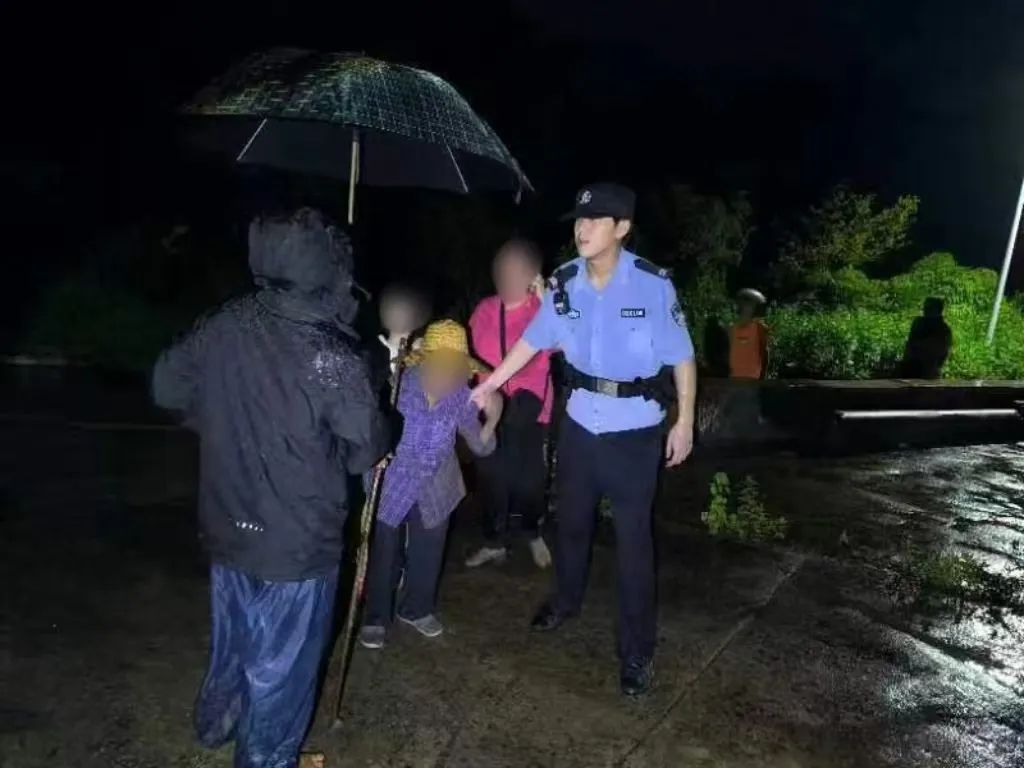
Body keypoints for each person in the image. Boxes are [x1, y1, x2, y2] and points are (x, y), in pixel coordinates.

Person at [152, 208, 389, 768]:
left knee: (234, 640)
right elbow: (365, 448)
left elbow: (167, 386)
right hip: (296, 547)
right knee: (281, 672)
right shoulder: (332, 355)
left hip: (228, 527)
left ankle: (217, 723)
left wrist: (219, 419)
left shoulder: (226, 321)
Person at [470, 183, 697, 696]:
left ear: (622, 228)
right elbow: (532, 341)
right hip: (578, 426)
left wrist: (683, 421)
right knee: (571, 524)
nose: (582, 228)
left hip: (634, 432)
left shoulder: (653, 286)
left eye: (595, 220)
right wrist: (490, 383)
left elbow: (682, 356)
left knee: (634, 543)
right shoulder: (564, 283)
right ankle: (566, 601)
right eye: (578, 219)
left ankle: (636, 650)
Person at [359, 320, 503, 650]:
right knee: (383, 553)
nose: (446, 376)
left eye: (454, 368)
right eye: (440, 365)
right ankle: (376, 617)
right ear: (423, 361)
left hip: (437, 485)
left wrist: (493, 416)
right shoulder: (396, 385)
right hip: (391, 481)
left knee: (428, 552)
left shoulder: (461, 396)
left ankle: (416, 608)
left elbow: (482, 447)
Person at [465, 239, 554, 570]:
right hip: (490, 406)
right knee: (491, 475)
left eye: (516, 271)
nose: (506, 277)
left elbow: (566, 343)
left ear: (532, 275)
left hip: (530, 408)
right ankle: (494, 542)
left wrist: (547, 302)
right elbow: (468, 353)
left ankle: (532, 531)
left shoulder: (543, 309)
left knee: (529, 478)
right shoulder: (485, 310)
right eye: (502, 270)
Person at [900, 297, 953, 379]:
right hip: (912, 366)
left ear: (938, 310)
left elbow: (941, 351)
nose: (925, 310)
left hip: (929, 369)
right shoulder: (919, 323)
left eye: (929, 308)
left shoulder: (943, 328)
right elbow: (910, 345)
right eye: (925, 307)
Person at [729, 288, 769, 379]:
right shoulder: (732, 328)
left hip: (753, 378)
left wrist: (762, 377)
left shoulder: (759, 327)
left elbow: (765, 354)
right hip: (734, 378)